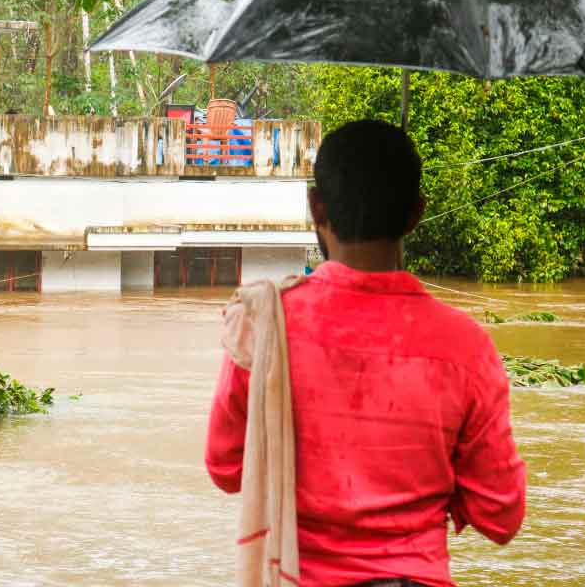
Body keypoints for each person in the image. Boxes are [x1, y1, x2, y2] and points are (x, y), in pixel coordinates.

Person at [206, 119, 526, 587]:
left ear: (316, 207)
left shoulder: (265, 325)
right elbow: (501, 516)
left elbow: (227, 468)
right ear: (416, 213)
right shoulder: (467, 347)